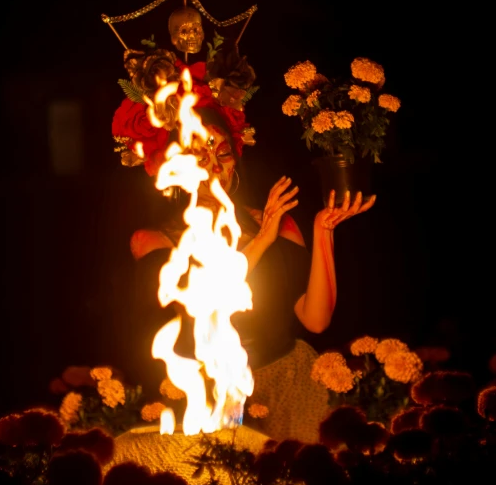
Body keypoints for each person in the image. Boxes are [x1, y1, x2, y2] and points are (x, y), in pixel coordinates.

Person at [111, 43, 375, 443]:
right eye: (200, 156)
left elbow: (315, 319)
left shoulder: (272, 220)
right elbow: (204, 307)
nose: (215, 166)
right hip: (209, 390)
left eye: (222, 152)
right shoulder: (155, 241)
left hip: (288, 381)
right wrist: (262, 242)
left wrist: (324, 231)